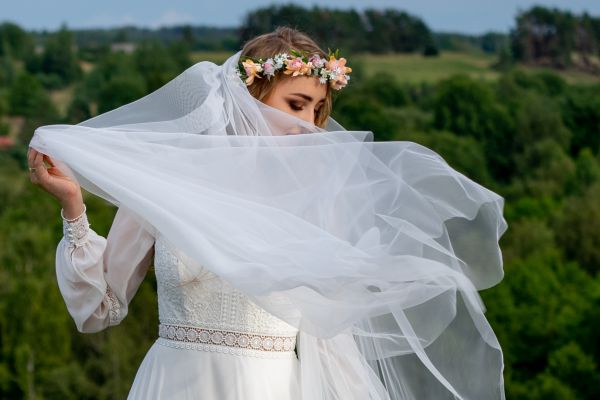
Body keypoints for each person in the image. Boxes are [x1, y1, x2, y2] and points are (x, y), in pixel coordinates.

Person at [28, 26, 508, 399]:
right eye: (294, 104)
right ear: (250, 98)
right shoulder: (171, 184)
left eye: (316, 110)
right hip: (175, 383)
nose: (306, 125)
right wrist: (74, 208)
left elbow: (332, 341)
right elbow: (102, 309)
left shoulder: (319, 200)